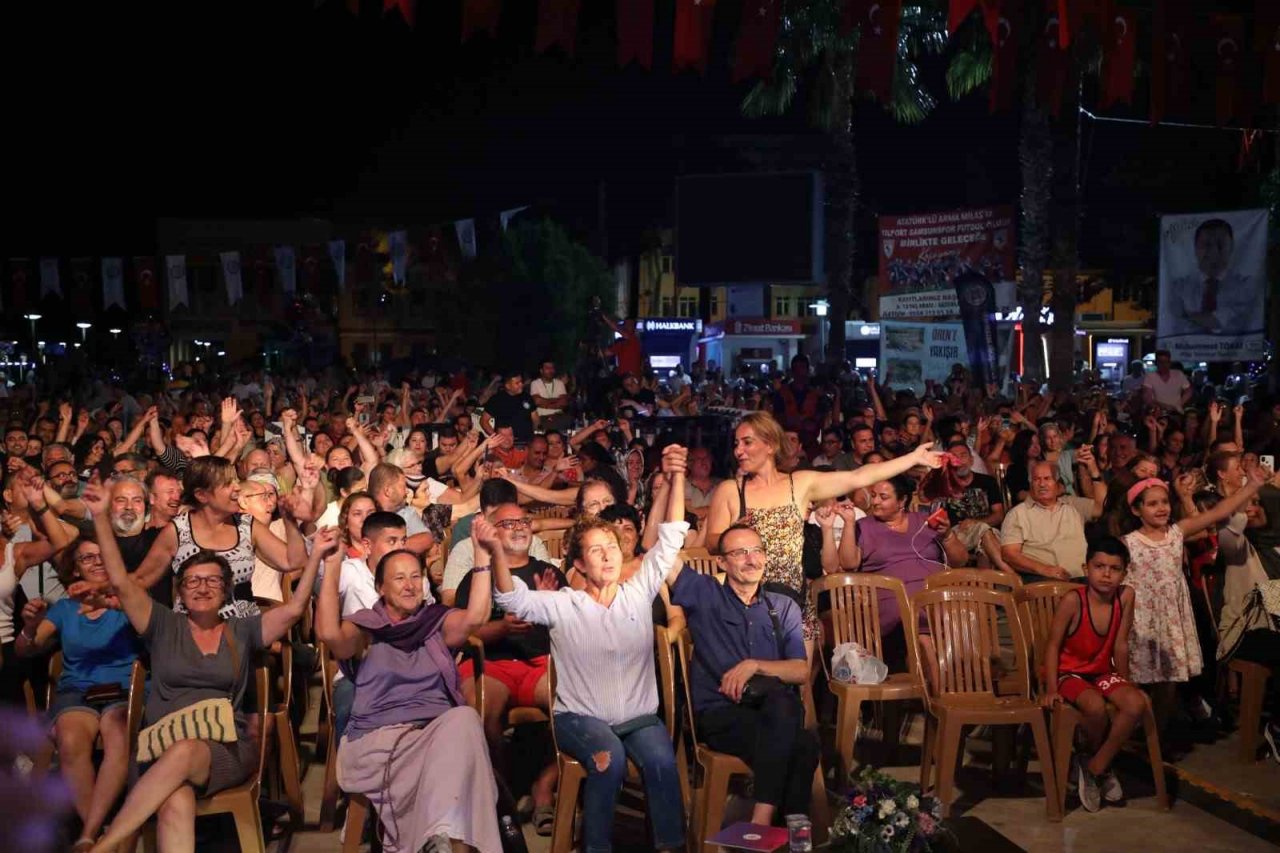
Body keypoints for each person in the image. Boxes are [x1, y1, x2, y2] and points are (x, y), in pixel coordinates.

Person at [85, 481, 329, 853]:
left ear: (227, 589)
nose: (202, 588)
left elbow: (295, 609)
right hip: (159, 748)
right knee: (175, 802)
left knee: (185, 753)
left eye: (213, 581)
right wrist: (101, 517)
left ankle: (109, 844)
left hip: (223, 750)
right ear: (180, 591)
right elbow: (120, 579)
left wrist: (317, 557)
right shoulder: (162, 624)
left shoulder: (242, 630)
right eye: (193, 581)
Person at [491, 444, 690, 853]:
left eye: (613, 548)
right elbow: (512, 600)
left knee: (662, 762)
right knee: (608, 758)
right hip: (580, 719)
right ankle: (596, 847)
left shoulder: (638, 593)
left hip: (637, 717)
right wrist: (495, 551)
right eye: (597, 551)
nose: (608, 556)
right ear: (578, 565)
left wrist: (678, 479)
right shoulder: (565, 604)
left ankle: (670, 846)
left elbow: (670, 539)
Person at [317, 523, 503, 853]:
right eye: (399, 578)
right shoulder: (366, 629)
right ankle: (439, 838)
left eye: (416, 576)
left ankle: (439, 838)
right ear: (381, 588)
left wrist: (481, 553)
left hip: (433, 734)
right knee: (457, 764)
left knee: (463, 720)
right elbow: (330, 634)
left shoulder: (434, 622)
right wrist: (331, 567)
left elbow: (476, 617)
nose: (410, 585)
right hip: (378, 741)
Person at [705, 411, 945, 656]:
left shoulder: (799, 484)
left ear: (770, 445)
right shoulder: (730, 491)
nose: (738, 451)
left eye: (747, 442)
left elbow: (857, 476)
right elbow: (711, 542)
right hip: (747, 603)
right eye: (736, 444)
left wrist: (913, 458)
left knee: (800, 685)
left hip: (794, 604)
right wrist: (733, 534)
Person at [668, 521, 820, 827]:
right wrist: (675, 477)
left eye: (757, 551)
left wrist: (755, 665)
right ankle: (790, 834)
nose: (752, 559)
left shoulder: (783, 606)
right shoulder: (706, 595)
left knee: (789, 718)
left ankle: (762, 825)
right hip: (722, 714)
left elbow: (800, 670)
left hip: (771, 712)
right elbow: (664, 553)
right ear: (721, 562)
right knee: (801, 740)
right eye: (740, 553)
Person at [16, 538, 140, 850]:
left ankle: (90, 834)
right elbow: (25, 649)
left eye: (102, 556)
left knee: (118, 733)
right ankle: (95, 834)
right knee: (70, 740)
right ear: (75, 569)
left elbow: (151, 624)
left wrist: (111, 598)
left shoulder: (128, 597)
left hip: (123, 690)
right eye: (87, 558)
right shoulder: (64, 608)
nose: (97, 562)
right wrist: (30, 627)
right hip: (77, 694)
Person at [1122, 469, 1265, 732]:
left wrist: (1251, 486)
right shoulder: (1129, 543)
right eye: (1152, 503)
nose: (1161, 508)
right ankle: (1134, 733)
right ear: (1136, 510)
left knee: (1169, 682)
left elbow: (1218, 513)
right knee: (1140, 680)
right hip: (1142, 621)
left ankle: (1158, 735)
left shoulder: (1176, 533)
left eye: (1164, 502)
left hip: (1173, 620)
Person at [455, 503, 565, 836]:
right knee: (482, 711)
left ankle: (544, 784)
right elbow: (463, 632)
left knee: (576, 705)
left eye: (524, 521)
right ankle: (502, 791)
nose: (519, 527)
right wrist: (501, 628)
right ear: (492, 531)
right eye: (509, 523)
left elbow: (571, 624)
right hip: (492, 663)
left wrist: (548, 605)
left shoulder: (550, 572)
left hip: (539, 664)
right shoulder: (477, 575)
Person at [131, 456, 310, 617]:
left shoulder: (247, 525)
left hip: (243, 633)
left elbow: (293, 562)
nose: (237, 488)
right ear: (202, 495)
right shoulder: (177, 531)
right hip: (191, 634)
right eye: (227, 484)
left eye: (235, 481)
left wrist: (289, 519)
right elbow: (140, 581)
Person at [1041, 537, 1142, 812]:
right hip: (1069, 673)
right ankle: (1091, 760)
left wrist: (1126, 683)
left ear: (1125, 572)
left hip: (1101, 672)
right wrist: (1051, 688)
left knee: (1135, 703)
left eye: (1114, 568)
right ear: (1086, 568)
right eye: (1099, 566)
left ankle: (1096, 765)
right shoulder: (1074, 600)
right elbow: (1053, 645)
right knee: (1095, 706)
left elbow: (1121, 644)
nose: (1106, 574)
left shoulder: (1126, 595)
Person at [853, 475, 969, 638]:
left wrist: (947, 535)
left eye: (883, 497)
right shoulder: (863, 526)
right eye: (873, 496)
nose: (875, 502)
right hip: (892, 598)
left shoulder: (926, 522)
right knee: (914, 617)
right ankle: (930, 659)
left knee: (962, 610)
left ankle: (965, 662)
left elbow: (961, 561)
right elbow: (849, 564)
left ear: (901, 501)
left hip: (935, 594)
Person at [1000, 455, 1105, 582]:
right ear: (1030, 484)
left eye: (1047, 478)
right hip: (1042, 581)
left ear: (1057, 483)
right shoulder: (1017, 514)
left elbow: (1101, 507)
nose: (1042, 484)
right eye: (1036, 479)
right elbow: (1009, 554)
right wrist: (1044, 569)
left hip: (1080, 578)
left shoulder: (1073, 506)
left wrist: (1094, 471)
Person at [1169, 218, 1254, 336]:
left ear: (1231, 247)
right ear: (1195, 248)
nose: (1213, 252)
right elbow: (1174, 323)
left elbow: (1221, 322)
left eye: (1220, 245)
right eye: (1206, 245)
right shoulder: (1179, 288)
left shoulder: (1244, 287)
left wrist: (1187, 315)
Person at [481, 370, 538, 445]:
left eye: (521, 381)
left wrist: (535, 435)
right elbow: (484, 421)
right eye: (517, 383)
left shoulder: (527, 397)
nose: (521, 384)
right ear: (508, 386)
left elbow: (535, 418)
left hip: (526, 442)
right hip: (506, 444)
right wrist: (497, 439)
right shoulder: (496, 399)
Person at [529, 360, 570, 432]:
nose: (550, 370)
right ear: (541, 370)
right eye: (547, 368)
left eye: (552, 368)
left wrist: (545, 403)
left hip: (558, 416)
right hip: (541, 417)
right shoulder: (535, 383)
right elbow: (537, 401)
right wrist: (556, 401)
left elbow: (563, 402)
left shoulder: (559, 383)